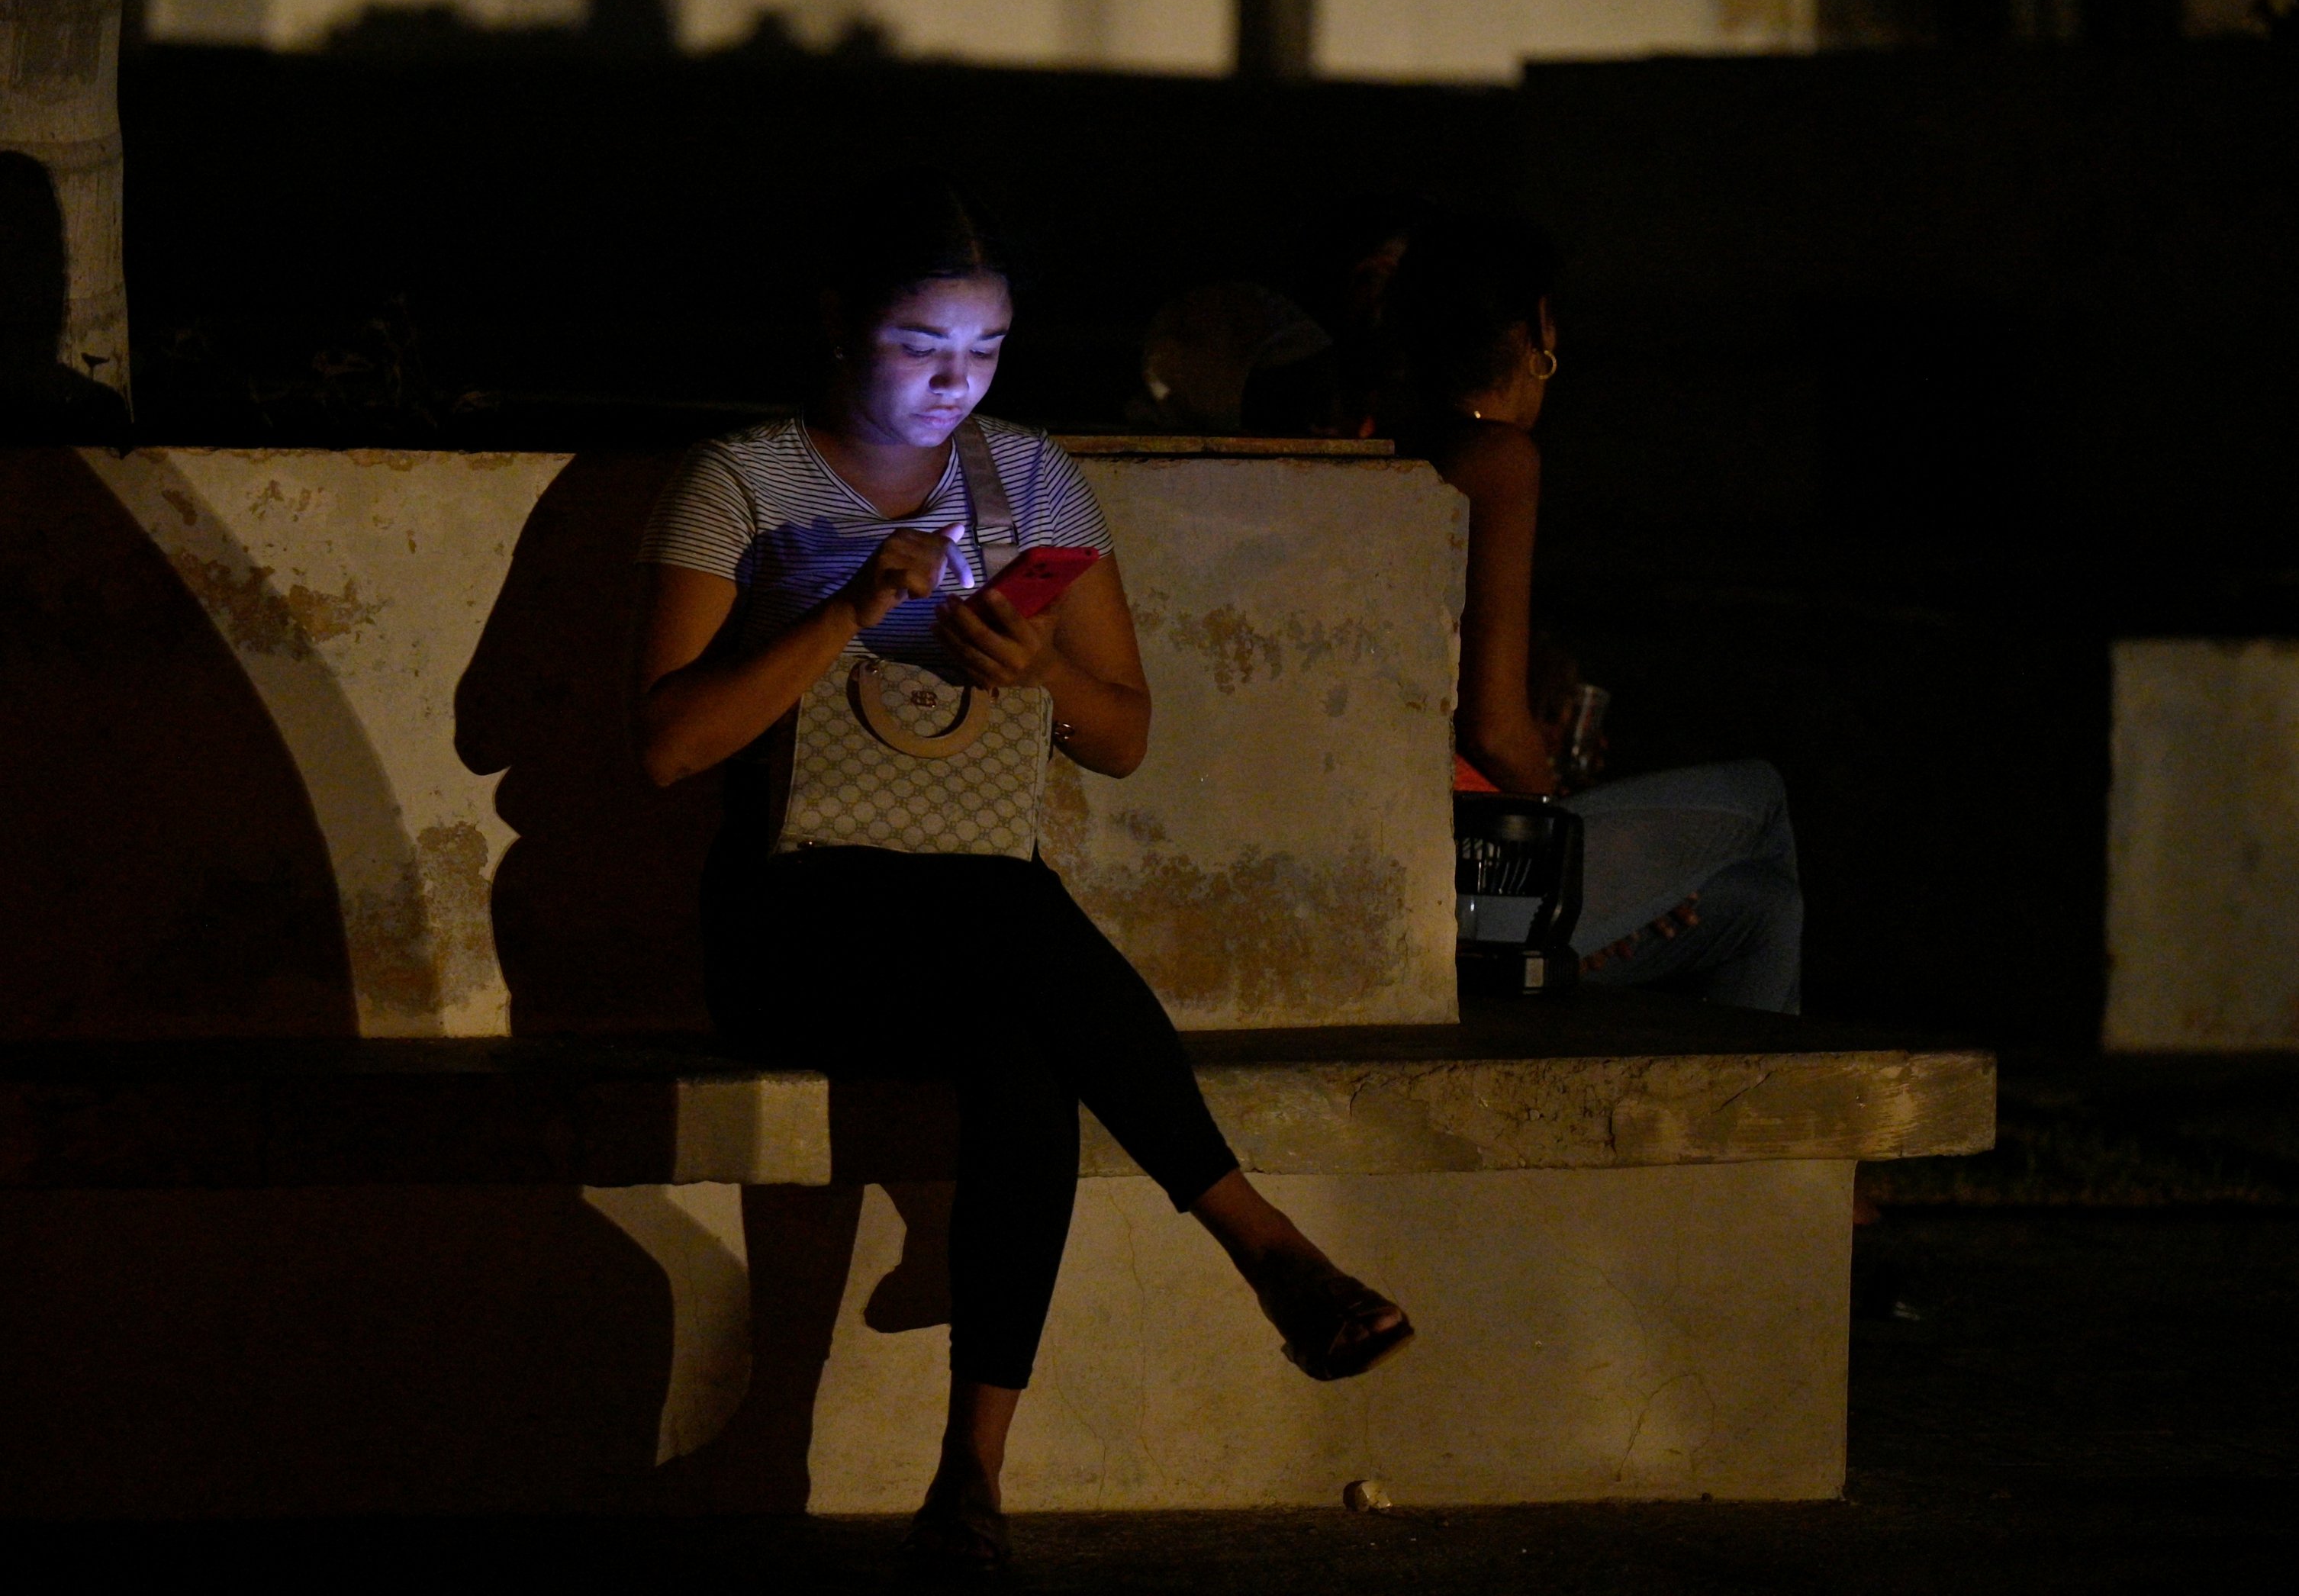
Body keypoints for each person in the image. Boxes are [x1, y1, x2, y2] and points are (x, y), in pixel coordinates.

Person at [631, 172, 1412, 1571]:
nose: (953, 382)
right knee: (1011, 941)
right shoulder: (741, 479)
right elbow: (670, 748)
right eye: (920, 346)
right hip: (794, 913)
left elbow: (1121, 739)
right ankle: (1258, 1239)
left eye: (983, 350)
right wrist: (854, 608)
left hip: (975, 900)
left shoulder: (1031, 478)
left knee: (1017, 1044)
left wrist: (1040, 670)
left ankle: (968, 1487)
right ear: (835, 323)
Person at [1380, 212, 1803, 1014]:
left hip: (1417, 843)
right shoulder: (1496, 458)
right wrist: (1568, 849)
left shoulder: (1402, 446)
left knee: (1761, 911)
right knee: (1760, 796)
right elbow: (1494, 729)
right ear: (1538, 323)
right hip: (1474, 864)